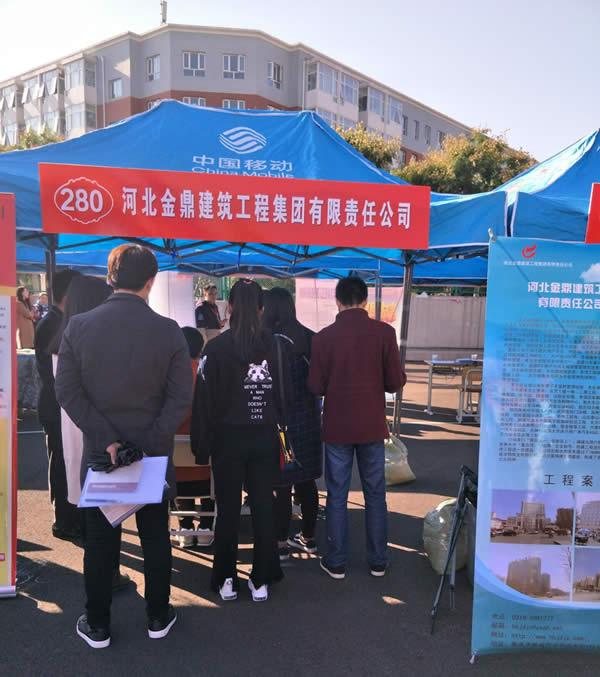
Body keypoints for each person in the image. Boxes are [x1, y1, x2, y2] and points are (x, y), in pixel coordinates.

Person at [55, 244, 193, 649]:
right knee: (155, 537)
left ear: (109, 277)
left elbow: (67, 390)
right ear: (151, 281)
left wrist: (109, 440)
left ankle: (98, 624)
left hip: (103, 456)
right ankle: (158, 616)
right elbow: (180, 398)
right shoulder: (168, 330)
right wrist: (144, 444)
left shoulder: (78, 326)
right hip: (151, 455)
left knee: (100, 542)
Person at [307, 276, 406, 580]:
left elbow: (315, 386)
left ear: (337, 301)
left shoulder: (323, 338)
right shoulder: (385, 333)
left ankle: (336, 561)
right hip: (371, 426)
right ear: (365, 301)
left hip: (337, 427)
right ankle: (378, 561)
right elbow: (395, 382)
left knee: (337, 494)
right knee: (375, 494)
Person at [191, 279, 283, 603]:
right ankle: (261, 578)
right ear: (261, 309)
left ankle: (226, 578)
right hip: (265, 437)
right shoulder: (275, 346)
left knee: (227, 509)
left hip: (227, 440)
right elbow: (286, 395)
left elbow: (203, 402)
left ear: (229, 307)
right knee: (263, 507)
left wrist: (201, 447)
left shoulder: (215, 349)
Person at [262, 287, 322, 561]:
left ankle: (280, 542)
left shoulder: (266, 341)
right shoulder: (310, 337)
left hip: (279, 424)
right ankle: (309, 537)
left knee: (282, 484)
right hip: (308, 420)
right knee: (307, 481)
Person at [35, 270, 81, 541]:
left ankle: (69, 517)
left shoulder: (60, 320)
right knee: (62, 464)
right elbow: (53, 373)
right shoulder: (51, 324)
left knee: (67, 462)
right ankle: (64, 520)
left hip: (62, 406)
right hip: (55, 407)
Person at [172, 326, 215, 549]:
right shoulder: (207, 373)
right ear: (201, 349)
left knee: (179, 471)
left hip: (177, 470)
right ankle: (206, 528)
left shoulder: (170, 376)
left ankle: (185, 528)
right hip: (207, 467)